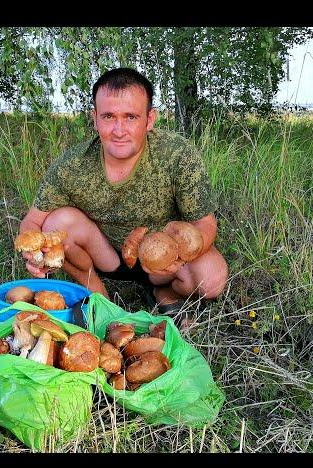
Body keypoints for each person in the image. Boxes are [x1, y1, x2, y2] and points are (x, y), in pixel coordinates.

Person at [18, 67, 228, 325]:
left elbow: (204, 224)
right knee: (55, 224)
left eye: (131, 117)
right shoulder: (72, 164)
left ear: (149, 120)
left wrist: (178, 258)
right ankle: (98, 297)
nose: (119, 130)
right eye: (108, 116)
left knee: (212, 277)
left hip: (162, 259)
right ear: (94, 119)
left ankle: (164, 292)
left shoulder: (177, 154)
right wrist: (34, 252)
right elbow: (32, 222)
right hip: (107, 256)